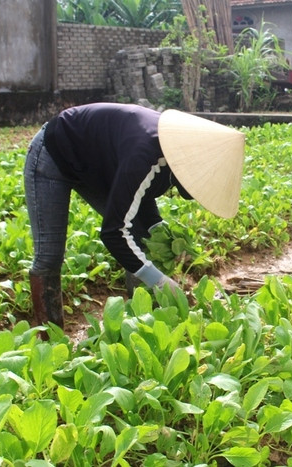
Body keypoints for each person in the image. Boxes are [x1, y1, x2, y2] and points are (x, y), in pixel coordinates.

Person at [24, 103, 245, 329]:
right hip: (53, 154)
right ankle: (51, 343)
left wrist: (161, 234)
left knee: (141, 237)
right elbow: (113, 233)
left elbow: (141, 200)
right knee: (49, 257)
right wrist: (158, 281)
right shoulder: (147, 153)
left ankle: (141, 323)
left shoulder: (170, 154)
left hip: (96, 166)